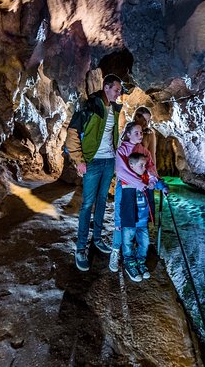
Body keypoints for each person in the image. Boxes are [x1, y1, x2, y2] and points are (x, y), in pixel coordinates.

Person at [66, 74, 123, 271]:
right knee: (87, 204)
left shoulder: (115, 110)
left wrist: (116, 160)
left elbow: (113, 136)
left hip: (108, 161)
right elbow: (72, 133)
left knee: (101, 201)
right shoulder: (90, 105)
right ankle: (80, 248)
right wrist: (79, 160)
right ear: (106, 88)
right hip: (92, 161)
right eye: (116, 89)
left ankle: (97, 238)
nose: (119, 93)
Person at [109, 121, 158, 273]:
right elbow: (121, 171)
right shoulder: (122, 150)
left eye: (141, 133)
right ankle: (116, 251)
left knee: (139, 218)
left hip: (141, 187)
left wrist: (153, 180)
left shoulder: (144, 151)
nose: (140, 135)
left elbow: (151, 167)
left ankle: (135, 254)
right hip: (125, 187)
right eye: (136, 133)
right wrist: (139, 183)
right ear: (128, 134)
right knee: (120, 219)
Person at [118, 152, 168, 282]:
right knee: (127, 243)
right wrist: (118, 221)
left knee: (144, 243)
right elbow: (119, 201)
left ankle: (140, 261)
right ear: (132, 166)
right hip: (129, 220)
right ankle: (129, 263)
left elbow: (156, 182)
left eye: (145, 165)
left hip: (143, 220)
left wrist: (164, 188)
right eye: (141, 165)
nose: (144, 167)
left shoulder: (146, 178)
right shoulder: (126, 180)